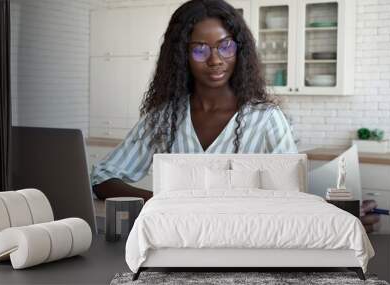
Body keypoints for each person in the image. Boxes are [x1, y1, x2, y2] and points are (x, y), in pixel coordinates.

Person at [91, 0, 297, 201]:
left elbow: (292, 194)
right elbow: (102, 178)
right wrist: (160, 201)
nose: (215, 60)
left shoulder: (266, 119)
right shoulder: (164, 118)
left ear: (240, 50)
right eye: (200, 49)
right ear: (182, 56)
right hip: (173, 234)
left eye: (225, 46)